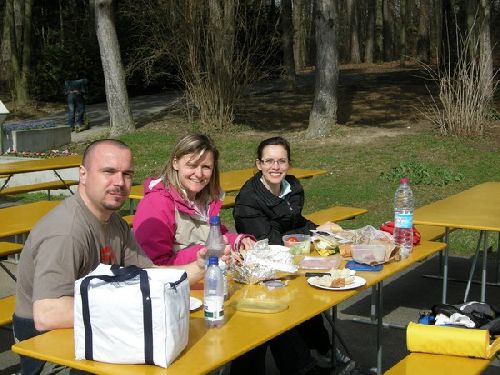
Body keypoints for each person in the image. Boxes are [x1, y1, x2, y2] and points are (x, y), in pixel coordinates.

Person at [13, 139, 209, 375]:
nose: (120, 182)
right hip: (48, 346)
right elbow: (47, 314)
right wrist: (130, 307)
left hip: (94, 330)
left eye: (127, 174)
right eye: (109, 172)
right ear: (83, 175)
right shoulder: (66, 233)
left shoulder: (112, 220)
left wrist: (197, 268)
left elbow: (148, 273)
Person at [233, 136, 346, 369]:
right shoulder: (248, 200)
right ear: (259, 164)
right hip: (263, 272)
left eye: (281, 161)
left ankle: (319, 352)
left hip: (291, 262)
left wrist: (317, 231)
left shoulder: (292, 188)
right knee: (293, 303)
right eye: (269, 161)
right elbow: (269, 241)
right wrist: (306, 235)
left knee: (310, 299)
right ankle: (310, 360)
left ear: (289, 164)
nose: (276, 167)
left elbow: (295, 224)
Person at [133, 133, 255, 265]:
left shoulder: (205, 200)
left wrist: (239, 242)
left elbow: (216, 235)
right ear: (175, 163)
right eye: (191, 165)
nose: (199, 174)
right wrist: (206, 253)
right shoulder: (157, 203)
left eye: (206, 167)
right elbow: (155, 265)